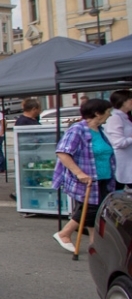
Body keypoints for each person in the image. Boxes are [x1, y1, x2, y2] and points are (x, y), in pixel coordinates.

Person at [51, 98, 115, 253]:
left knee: (96, 209)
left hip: (102, 176)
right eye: (108, 112)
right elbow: (62, 152)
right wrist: (79, 173)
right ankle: (64, 233)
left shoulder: (99, 130)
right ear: (97, 113)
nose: (110, 115)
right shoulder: (78, 129)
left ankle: (94, 243)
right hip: (88, 177)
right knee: (90, 209)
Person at [103, 90, 132, 191]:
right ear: (124, 101)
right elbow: (118, 142)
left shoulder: (124, 117)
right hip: (122, 164)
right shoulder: (115, 117)